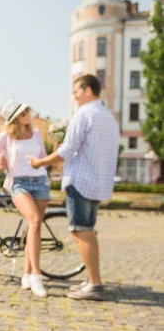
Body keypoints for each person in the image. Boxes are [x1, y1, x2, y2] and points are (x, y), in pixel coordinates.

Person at [27, 74, 120, 301]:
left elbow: (67, 151)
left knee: (80, 230)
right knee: (87, 229)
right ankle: (91, 280)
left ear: (88, 91)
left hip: (81, 181)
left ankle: (95, 285)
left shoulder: (83, 114)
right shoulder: (108, 117)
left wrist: (39, 163)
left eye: (77, 90)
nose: (74, 95)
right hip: (98, 183)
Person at [0, 100, 50, 298]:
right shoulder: (7, 136)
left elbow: (44, 157)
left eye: (28, 110)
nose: (28, 113)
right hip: (19, 183)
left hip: (40, 182)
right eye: (23, 112)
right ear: (15, 118)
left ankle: (27, 273)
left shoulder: (37, 134)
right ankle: (37, 275)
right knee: (35, 221)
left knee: (34, 227)